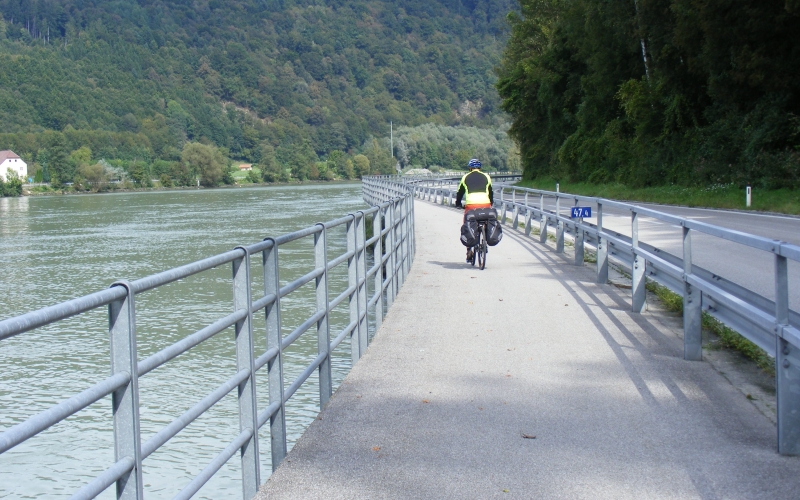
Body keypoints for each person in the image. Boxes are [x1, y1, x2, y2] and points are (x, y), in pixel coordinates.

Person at [455, 159, 493, 262]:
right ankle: (485, 238)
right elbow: (490, 192)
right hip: (485, 204)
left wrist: (458, 204)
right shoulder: (487, 176)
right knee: (486, 219)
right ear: (480, 168)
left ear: (470, 168)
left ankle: (469, 251)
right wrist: (490, 204)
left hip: (471, 205)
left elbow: (460, 193)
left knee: (467, 224)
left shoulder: (465, 177)